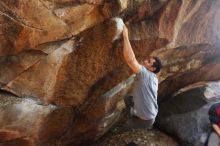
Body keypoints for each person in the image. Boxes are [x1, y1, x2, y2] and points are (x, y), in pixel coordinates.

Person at [122, 25, 162, 130]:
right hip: (152, 114)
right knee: (127, 99)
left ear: (152, 69)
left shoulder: (145, 74)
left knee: (126, 125)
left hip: (146, 120)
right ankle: (133, 112)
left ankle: (127, 123)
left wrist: (125, 36)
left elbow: (131, 60)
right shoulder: (154, 78)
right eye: (147, 59)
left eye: (148, 62)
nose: (144, 61)